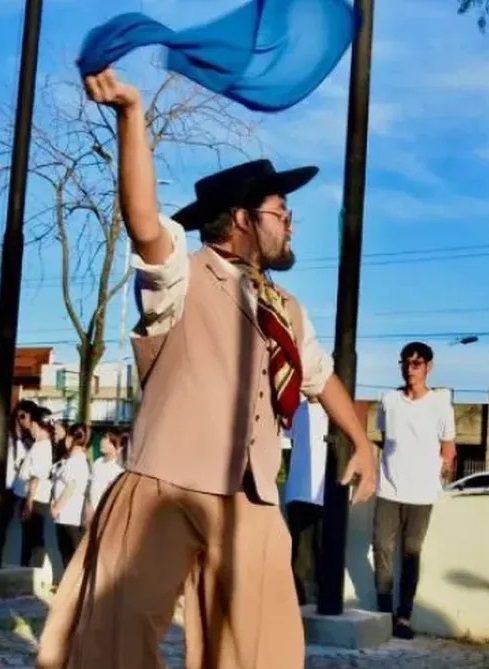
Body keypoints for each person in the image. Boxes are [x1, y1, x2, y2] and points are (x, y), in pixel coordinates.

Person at [37, 68, 377, 669]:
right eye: (281, 211)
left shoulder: (287, 309)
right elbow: (145, 223)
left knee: (261, 652)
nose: (290, 222)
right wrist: (132, 115)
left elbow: (320, 377)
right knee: (114, 639)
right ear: (242, 218)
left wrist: (363, 441)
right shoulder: (181, 276)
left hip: (251, 498)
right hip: (165, 484)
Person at [373, 341, 456, 640]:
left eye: (417, 363)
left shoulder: (441, 405)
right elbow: (386, 438)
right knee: (381, 546)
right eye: (405, 363)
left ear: (428, 367)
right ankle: (384, 613)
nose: (410, 369)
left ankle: (404, 617)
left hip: (422, 494)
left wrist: (438, 473)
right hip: (389, 488)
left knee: (411, 553)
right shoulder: (389, 400)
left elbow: (449, 448)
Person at [283, 397, 329, 605]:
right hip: (297, 493)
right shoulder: (296, 409)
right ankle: (299, 605)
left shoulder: (332, 411)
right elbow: (288, 442)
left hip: (324, 495)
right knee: (298, 557)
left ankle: (321, 603)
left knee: (323, 555)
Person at [14, 406, 53, 568]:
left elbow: (36, 477)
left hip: (35, 499)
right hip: (32, 497)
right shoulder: (39, 445)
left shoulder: (43, 446)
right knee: (30, 539)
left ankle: (32, 571)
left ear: (36, 424)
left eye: (32, 426)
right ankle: (28, 569)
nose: (30, 430)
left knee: (33, 540)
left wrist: (29, 503)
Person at [1, 400, 37, 564]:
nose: (19, 420)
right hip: (8, 488)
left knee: (22, 528)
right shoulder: (7, 439)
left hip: (18, 489)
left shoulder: (30, 442)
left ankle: (25, 562)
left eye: (23, 416)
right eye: (17, 416)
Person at [50, 423, 91, 568]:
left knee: (71, 556)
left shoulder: (76, 461)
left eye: (67, 437)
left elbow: (71, 486)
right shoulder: (72, 460)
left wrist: (57, 506)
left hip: (69, 515)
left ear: (71, 438)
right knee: (67, 555)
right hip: (65, 516)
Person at [84, 427, 125, 525]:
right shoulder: (98, 462)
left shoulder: (118, 469)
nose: (103, 442)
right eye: (103, 438)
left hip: (104, 515)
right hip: (90, 512)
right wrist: (88, 507)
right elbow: (90, 486)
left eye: (109, 441)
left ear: (118, 447)